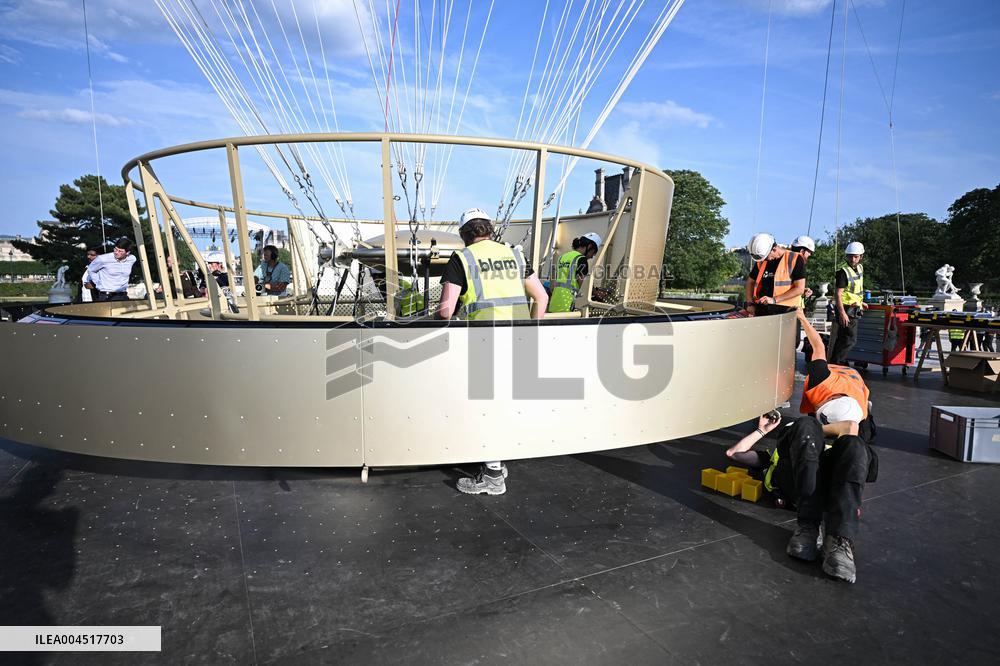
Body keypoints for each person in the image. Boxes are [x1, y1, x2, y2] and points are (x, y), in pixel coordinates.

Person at [728, 310, 877, 584]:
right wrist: (762, 431)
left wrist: (801, 317)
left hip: (827, 476)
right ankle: (808, 526)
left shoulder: (823, 384)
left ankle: (839, 540)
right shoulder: (797, 437)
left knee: (854, 446)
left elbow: (818, 347)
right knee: (808, 429)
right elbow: (734, 454)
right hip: (798, 476)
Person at [438, 207, 549, 495]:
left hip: (485, 342)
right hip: (521, 341)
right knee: (503, 405)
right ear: (490, 229)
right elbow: (541, 297)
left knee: (485, 408)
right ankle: (497, 460)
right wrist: (532, 331)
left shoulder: (463, 258)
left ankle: (493, 476)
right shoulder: (515, 254)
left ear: (464, 234)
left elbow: (446, 310)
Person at [745, 233, 806, 314]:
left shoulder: (795, 259)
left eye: (766, 257)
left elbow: (800, 289)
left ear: (774, 249)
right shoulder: (762, 261)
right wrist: (750, 304)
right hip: (762, 310)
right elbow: (750, 282)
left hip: (786, 312)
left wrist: (774, 300)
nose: (764, 260)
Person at [828, 241, 866, 364]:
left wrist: (861, 302)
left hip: (854, 307)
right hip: (845, 308)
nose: (853, 259)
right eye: (850, 256)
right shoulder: (842, 272)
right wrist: (842, 313)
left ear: (861, 256)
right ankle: (837, 363)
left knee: (844, 338)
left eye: (855, 256)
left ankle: (836, 363)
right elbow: (838, 294)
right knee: (849, 339)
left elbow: (855, 289)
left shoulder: (859, 268)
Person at [548, 232, 602, 313]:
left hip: (555, 302)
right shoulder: (581, 259)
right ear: (589, 246)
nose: (592, 256)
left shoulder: (563, 257)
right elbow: (583, 284)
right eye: (593, 252)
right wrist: (596, 293)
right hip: (568, 304)